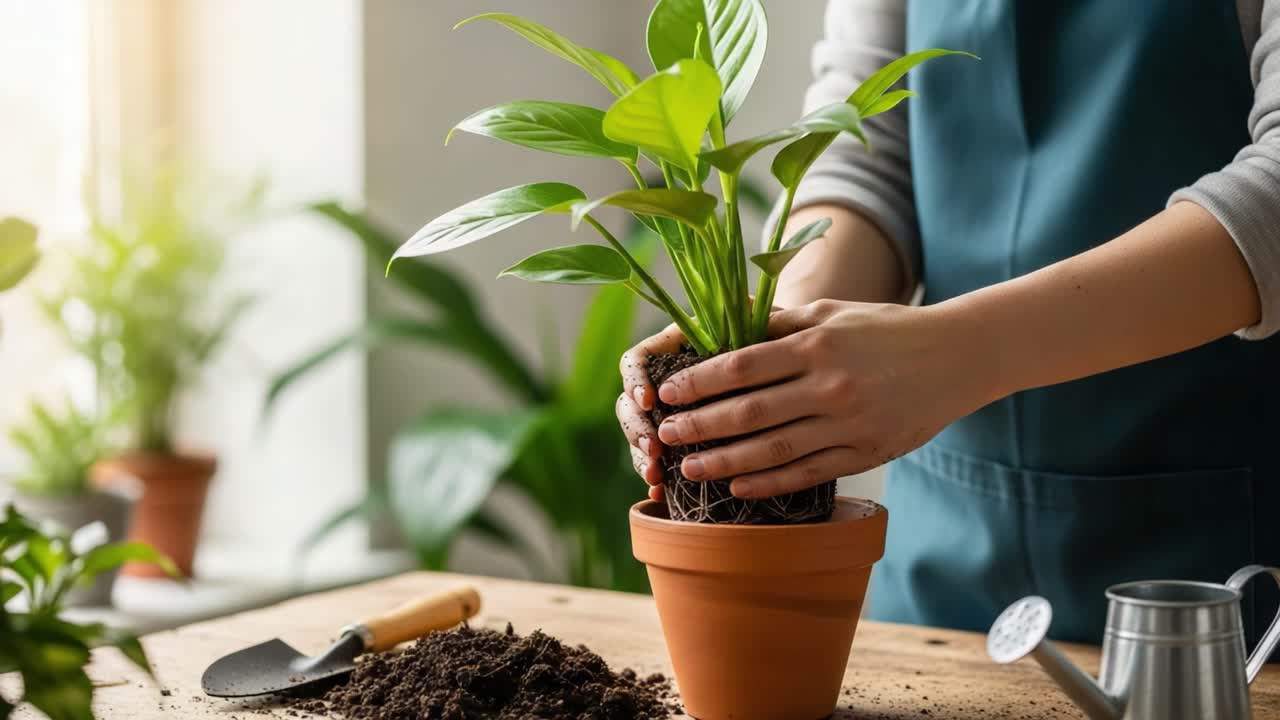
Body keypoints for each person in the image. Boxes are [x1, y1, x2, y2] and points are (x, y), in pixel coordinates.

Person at [615, 0, 1280, 644]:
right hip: (942, 568)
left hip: (1217, 590)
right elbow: (865, 152)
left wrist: (962, 353)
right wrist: (777, 355)